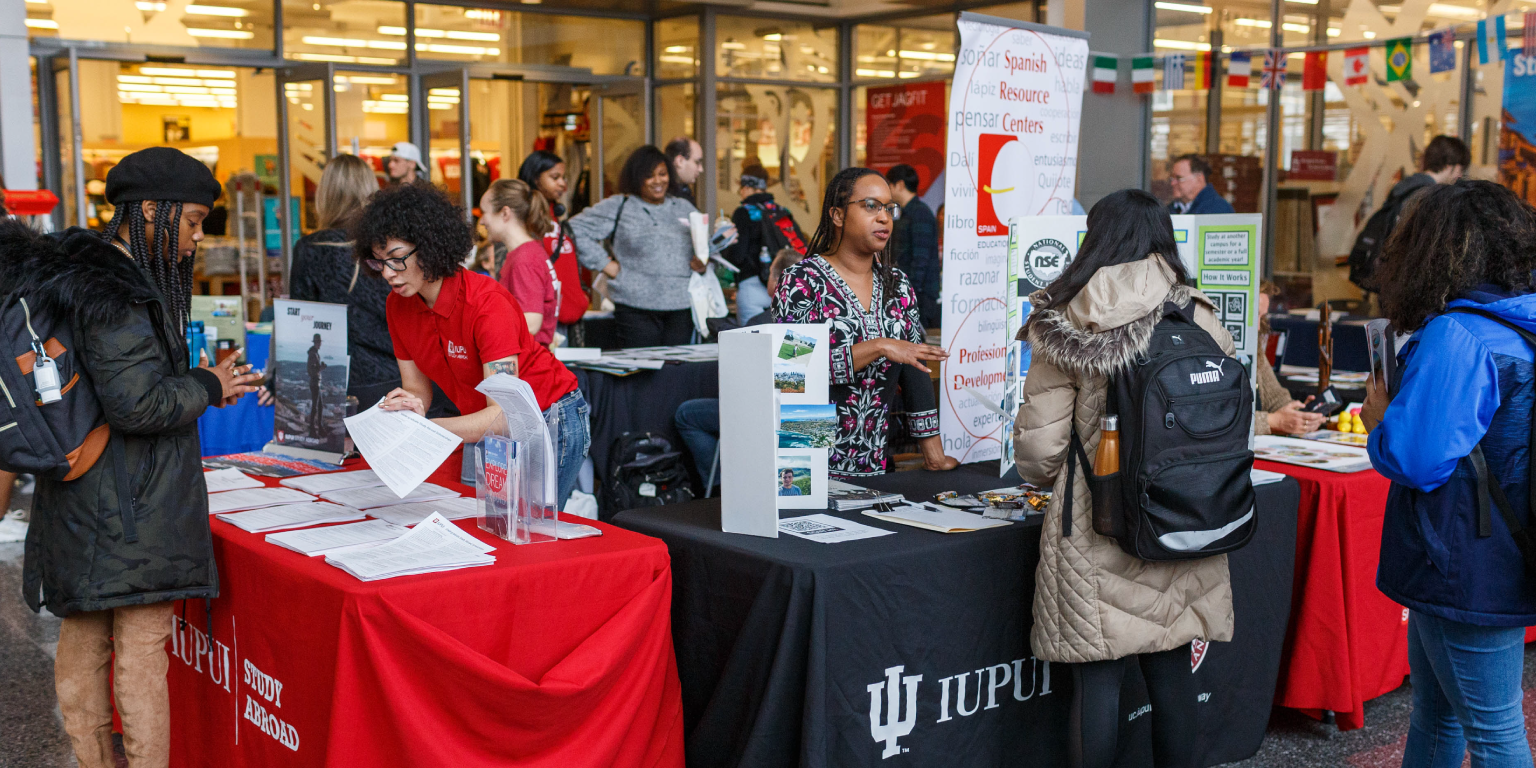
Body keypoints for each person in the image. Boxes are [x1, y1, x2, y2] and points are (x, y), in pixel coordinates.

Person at [4, 147, 260, 768]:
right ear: (150, 211)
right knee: (142, 649)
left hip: (83, 492)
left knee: (84, 638)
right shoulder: (116, 289)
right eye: (194, 221)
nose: (198, 238)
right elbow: (139, 406)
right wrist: (207, 387)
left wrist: (196, 381)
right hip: (132, 505)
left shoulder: (78, 272)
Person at [1012, 188, 1235, 768]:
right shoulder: (1199, 313)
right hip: (1186, 517)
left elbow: (1041, 448)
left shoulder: (1069, 318)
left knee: (1098, 680)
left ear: (1097, 239)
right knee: (1171, 671)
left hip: (1098, 522)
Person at [1359, 180, 1536, 768]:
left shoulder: (1458, 335)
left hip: (1461, 556)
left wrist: (1378, 418)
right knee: (1441, 718)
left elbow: (1415, 458)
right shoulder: (1520, 323)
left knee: (1493, 732)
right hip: (1508, 548)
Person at [355, 183, 589, 509]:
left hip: (548, 414)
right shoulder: (398, 305)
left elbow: (506, 415)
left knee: (530, 530)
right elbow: (418, 390)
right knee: (492, 524)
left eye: (397, 259)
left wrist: (428, 429)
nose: (389, 275)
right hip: (482, 422)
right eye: (380, 263)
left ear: (429, 246)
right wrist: (410, 408)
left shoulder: (486, 305)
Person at [774, 167, 957, 477]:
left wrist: (934, 455)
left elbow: (915, 369)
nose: (884, 217)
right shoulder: (802, 281)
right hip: (812, 468)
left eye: (888, 207)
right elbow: (794, 379)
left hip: (877, 466)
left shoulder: (896, 284)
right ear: (838, 215)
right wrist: (878, 347)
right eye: (871, 206)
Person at [674, 248, 806, 485]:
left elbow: (744, 385)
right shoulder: (815, 321)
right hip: (808, 419)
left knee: (686, 414)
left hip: (766, 417)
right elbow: (794, 384)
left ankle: (722, 485)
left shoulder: (761, 323)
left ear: (776, 282)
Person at [287, 153, 402, 406]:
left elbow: (300, 323)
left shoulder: (311, 248)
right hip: (397, 375)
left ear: (325, 194)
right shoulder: (391, 245)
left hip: (334, 379)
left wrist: (279, 379)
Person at [570, 145, 705, 349]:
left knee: (677, 372)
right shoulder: (619, 205)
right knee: (641, 373)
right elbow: (574, 229)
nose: (658, 181)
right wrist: (605, 264)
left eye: (662, 174)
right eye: (649, 176)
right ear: (636, 178)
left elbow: (701, 246)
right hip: (634, 305)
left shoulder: (684, 207)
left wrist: (702, 262)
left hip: (681, 306)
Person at [1348, 135, 1471, 294]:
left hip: (1390, 280)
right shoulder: (1430, 197)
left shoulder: (1404, 189)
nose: (1459, 176)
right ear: (1449, 166)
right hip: (1407, 289)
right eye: (1460, 169)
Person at [724, 164, 806, 324]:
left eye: (741, 187)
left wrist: (725, 244)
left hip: (751, 289)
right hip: (783, 289)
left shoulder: (743, 213)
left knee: (752, 342)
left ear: (747, 187)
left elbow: (737, 256)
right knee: (784, 343)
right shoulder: (782, 212)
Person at [517, 150, 589, 333]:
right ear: (535, 178)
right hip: (542, 322)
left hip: (571, 320)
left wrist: (581, 297)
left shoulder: (559, 221)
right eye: (555, 177)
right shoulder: (524, 223)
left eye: (563, 178)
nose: (562, 183)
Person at [481, 178, 558, 346]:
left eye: (484, 212)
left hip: (528, 362)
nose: (481, 221)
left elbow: (531, 323)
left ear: (505, 213)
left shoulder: (525, 259)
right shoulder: (527, 253)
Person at [1255, 281, 1324, 436]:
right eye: (1254, 316)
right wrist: (1274, 421)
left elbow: (1275, 397)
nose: (1259, 326)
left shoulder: (1254, 348)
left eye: (1262, 317)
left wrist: (1299, 414)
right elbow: (1217, 418)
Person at [885, 164, 940, 329]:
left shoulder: (920, 213)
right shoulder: (907, 213)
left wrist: (909, 292)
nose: (888, 190)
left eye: (889, 184)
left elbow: (920, 259)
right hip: (910, 292)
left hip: (918, 296)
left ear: (899, 185)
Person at [1165, 154, 1235, 215]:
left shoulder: (1218, 210)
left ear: (1199, 179)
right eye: (1172, 178)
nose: (1172, 183)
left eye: (1179, 178)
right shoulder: (1170, 209)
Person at [664, 136, 704, 205]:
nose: (701, 169)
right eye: (697, 162)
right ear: (680, 161)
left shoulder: (684, 190)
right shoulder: (663, 195)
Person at [306, 333, 327, 433]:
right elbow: (311, 370)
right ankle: (314, 428)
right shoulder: (313, 354)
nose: (319, 344)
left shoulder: (315, 353)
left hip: (316, 382)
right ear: (315, 343)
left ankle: (317, 427)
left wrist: (320, 368)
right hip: (314, 383)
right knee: (316, 406)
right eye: (318, 342)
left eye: (319, 342)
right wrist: (321, 368)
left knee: (319, 406)